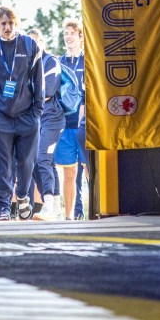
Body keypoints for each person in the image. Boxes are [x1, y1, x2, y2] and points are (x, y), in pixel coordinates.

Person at [0, 6, 43, 221]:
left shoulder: (29, 45)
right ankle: (3, 207)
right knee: (3, 166)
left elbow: (39, 81)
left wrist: (37, 112)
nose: (7, 27)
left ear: (16, 24)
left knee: (26, 163)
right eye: (3, 24)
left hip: (27, 117)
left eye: (10, 23)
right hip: (0, 117)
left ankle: (22, 196)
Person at [27, 28, 64, 221]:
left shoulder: (51, 61)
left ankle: (48, 205)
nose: (32, 46)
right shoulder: (25, 64)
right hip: (35, 120)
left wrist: (26, 93)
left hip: (53, 119)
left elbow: (47, 91)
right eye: (29, 43)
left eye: (35, 42)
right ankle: (55, 207)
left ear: (42, 42)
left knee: (42, 158)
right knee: (37, 161)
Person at [55, 19, 89, 220]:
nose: (68, 36)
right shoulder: (59, 62)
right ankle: (71, 216)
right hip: (66, 125)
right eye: (65, 33)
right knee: (69, 172)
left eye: (72, 33)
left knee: (88, 169)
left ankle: (95, 210)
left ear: (80, 37)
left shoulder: (88, 61)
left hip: (85, 125)